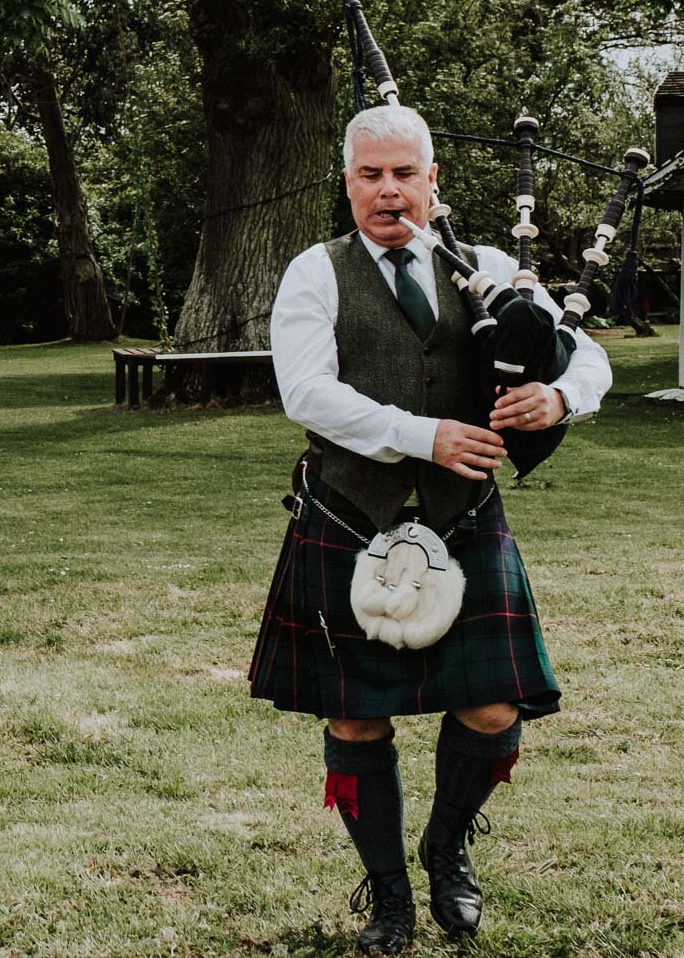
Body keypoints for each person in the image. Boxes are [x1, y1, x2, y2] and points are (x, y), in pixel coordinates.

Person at [248, 106, 612, 954]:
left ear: (432, 180)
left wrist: (559, 397)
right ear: (347, 184)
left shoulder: (486, 266)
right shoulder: (316, 273)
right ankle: (388, 895)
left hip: (465, 517)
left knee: (491, 706)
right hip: (348, 513)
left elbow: (585, 353)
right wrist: (426, 434)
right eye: (370, 175)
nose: (388, 192)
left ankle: (446, 847)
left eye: (404, 174)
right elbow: (306, 392)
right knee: (355, 720)